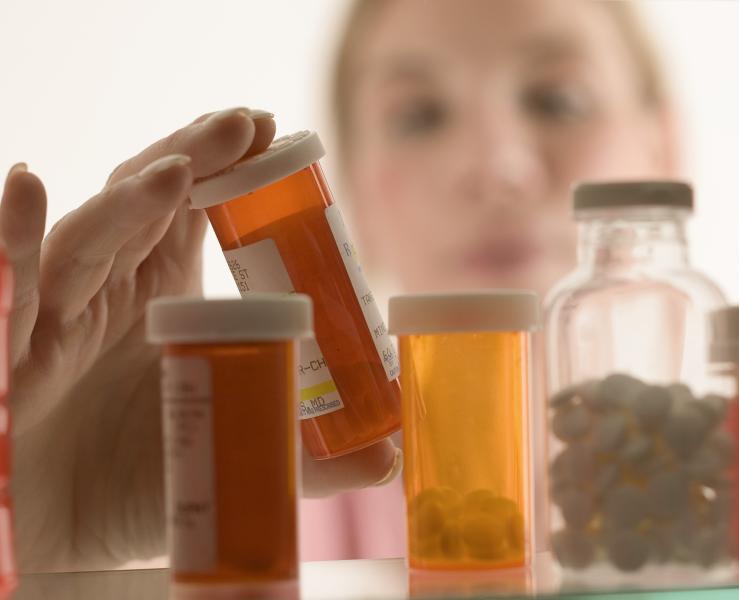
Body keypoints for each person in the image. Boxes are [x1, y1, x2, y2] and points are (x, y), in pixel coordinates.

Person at [0, 0, 678, 572]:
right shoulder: (257, 539)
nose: (497, 167)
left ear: (665, 147)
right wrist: (51, 552)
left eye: (558, 98)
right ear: (350, 189)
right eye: (420, 116)